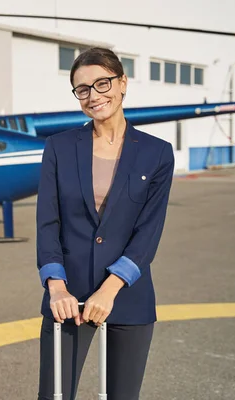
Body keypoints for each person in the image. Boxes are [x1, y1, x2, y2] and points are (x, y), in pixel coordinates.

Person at [36, 47, 175, 400]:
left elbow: (149, 231)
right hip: (67, 297)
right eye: (83, 89)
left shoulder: (157, 153)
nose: (94, 96)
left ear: (123, 82)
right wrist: (56, 286)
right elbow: (47, 222)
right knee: (54, 396)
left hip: (127, 295)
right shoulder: (59, 147)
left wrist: (110, 289)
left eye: (102, 83)